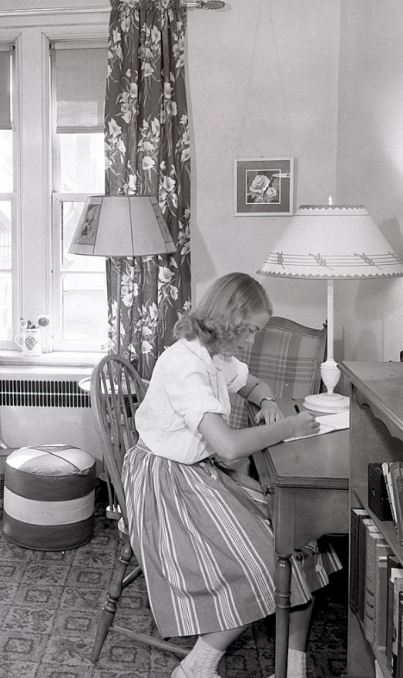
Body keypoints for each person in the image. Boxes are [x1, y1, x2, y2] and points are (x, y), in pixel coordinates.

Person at [122, 272, 342, 678]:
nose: (251, 342)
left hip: (200, 472)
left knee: (303, 540)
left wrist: (270, 402)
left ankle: (291, 667)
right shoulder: (185, 364)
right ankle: (197, 666)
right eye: (250, 331)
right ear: (229, 322)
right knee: (267, 564)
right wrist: (288, 427)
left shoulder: (215, 356)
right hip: (167, 482)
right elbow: (227, 445)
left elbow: (253, 383)